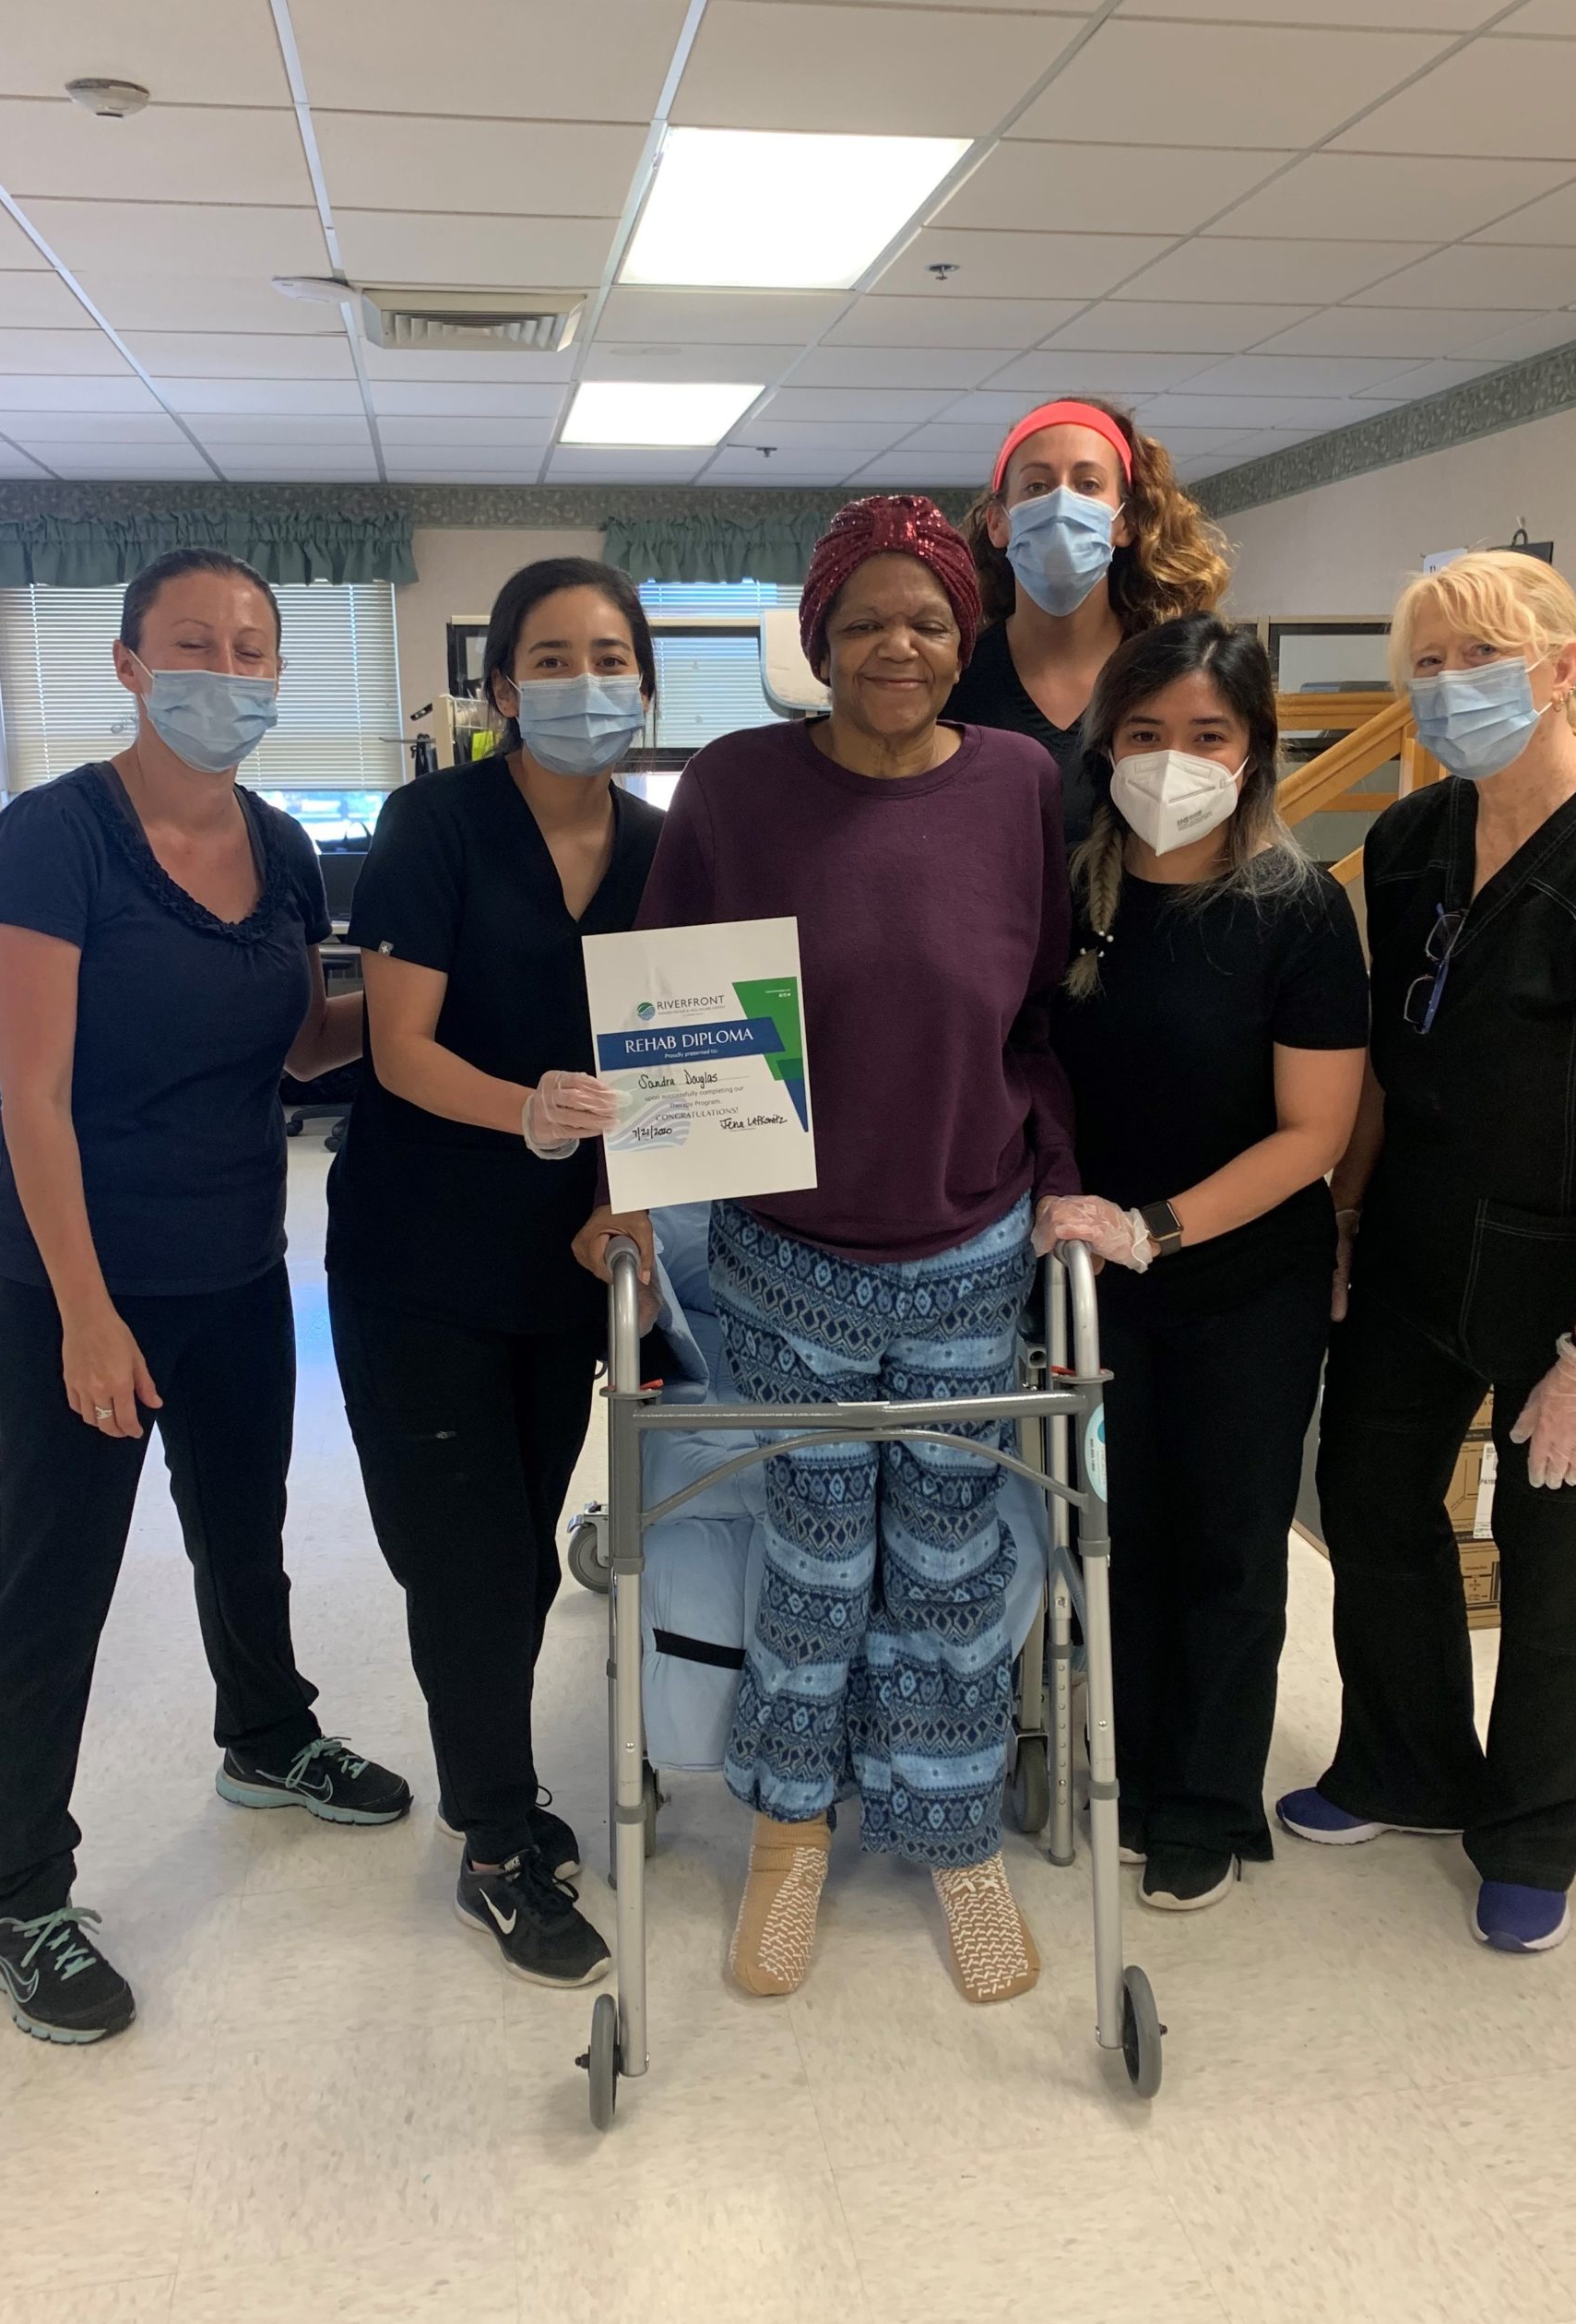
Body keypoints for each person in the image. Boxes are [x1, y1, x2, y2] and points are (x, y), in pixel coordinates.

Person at [575, 495, 1080, 2005]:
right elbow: (664, 1005)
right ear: (817, 640)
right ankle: (790, 1830)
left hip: (971, 1238)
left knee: (950, 1563)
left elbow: (1040, 1008)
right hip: (789, 1253)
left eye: (925, 621)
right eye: (862, 623)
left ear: (963, 638)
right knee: (812, 1554)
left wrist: (1060, 1181)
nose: (895, 647)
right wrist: (628, 1180)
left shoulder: (1018, 783)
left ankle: (953, 1833)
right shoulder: (739, 785)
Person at [0, 548, 410, 2046]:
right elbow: (28, 1099)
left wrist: (434, 1001)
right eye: (195, 644)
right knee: (56, 1576)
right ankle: (18, 1895)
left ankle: (266, 1735)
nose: (229, 671)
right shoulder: (51, 840)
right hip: (75, 1279)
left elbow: (297, 1047)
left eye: (253, 648)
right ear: (131, 665)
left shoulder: (279, 846)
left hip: (233, 1265)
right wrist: (88, 1314)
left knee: (243, 1528)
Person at [1279, 551, 1576, 1954]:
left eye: (1481, 655)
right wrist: (1347, 1220)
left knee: (1561, 1559)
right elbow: (1387, 1064)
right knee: (1370, 1501)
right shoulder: (1415, 839)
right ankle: (1405, 1765)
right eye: (1426, 662)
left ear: (1562, 667)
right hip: (1419, 1242)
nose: (1449, 684)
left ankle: (1534, 1832)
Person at [326, 557, 665, 1991]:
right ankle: (492, 1846)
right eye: (552, 657)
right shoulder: (438, 824)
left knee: (522, 1549)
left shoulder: (661, 850)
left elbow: (674, 1056)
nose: (584, 682)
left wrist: (623, 1192)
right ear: (502, 687)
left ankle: (502, 1787)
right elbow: (398, 1047)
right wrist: (526, 1110)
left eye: (610, 655)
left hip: (564, 1259)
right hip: (420, 1247)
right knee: (463, 1560)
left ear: (645, 680)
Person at [1041, 618, 1368, 1911]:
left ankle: (1208, 1801)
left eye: (1207, 734)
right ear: (1105, 746)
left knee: (1230, 1543)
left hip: (1242, 1279)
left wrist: (1156, 1227)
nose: (1172, 758)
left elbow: (1314, 1133)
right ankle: (1126, 1766)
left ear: (1254, 751)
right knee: (1118, 1534)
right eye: (1145, 733)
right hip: (1085, 1281)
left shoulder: (1297, 910)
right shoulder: (1068, 895)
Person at [946, 397, 1231, 844]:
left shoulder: (1173, 677)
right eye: (1037, 486)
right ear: (998, 523)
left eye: (1088, 484)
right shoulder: (954, 682)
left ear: (1125, 521)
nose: (1062, 504)